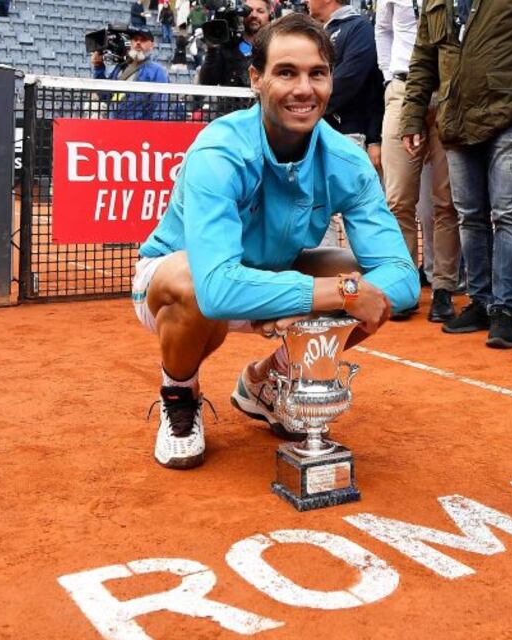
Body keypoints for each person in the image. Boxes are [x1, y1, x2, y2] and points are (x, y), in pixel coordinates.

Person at [133, 13, 419, 469]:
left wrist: (333, 292)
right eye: (286, 72)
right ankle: (179, 392)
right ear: (257, 79)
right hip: (179, 284)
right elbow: (217, 289)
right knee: (191, 285)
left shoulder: (347, 158)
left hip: (273, 279)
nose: (304, 89)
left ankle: (268, 382)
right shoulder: (218, 150)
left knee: (375, 289)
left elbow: (402, 278)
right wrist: (335, 293)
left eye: (317, 74)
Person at [400, 0, 512, 348]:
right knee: (469, 216)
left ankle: (505, 309)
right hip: (456, 120)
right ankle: (480, 302)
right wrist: (412, 115)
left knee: (509, 214)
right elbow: (422, 59)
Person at [375, 0, 460, 322]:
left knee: (446, 202)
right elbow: (382, 30)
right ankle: (405, 287)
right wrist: (388, 75)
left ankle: (443, 288)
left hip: (449, 93)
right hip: (402, 88)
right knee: (397, 199)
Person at [309, 0, 384, 166]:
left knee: (345, 190)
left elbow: (348, 79)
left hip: (348, 134)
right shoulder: (316, 33)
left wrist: (308, 102)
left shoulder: (360, 28)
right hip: (315, 131)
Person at [91, 26, 170, 120]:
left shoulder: (157, 71)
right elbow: (105, 95)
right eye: (135, 39)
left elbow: (161, 108)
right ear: (131, 43)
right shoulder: (121, 67)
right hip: (115, 126)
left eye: (143, 40)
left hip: (140, 129)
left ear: (152, 45)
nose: (138, 43)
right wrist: (99, 66)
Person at [197, 0, 271, 87]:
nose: (254, 15)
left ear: (270, 16)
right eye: (248, 11)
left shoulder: (276, 46)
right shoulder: (228, 45)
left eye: (260, 11)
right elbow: (207, 82)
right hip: (232, 100)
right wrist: (212, 50)